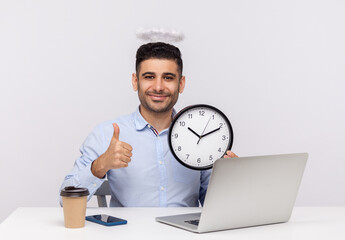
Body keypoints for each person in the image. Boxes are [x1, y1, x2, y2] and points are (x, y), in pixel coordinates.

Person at [60, 42, 238, 207]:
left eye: (168, 77)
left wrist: (231, 181)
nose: (158, 87)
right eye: (149, 77)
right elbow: (64, 200)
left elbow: (216, 206)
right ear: (135, 81)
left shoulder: (202, 137)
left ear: (181, 84)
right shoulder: (106, 133)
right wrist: (100, 165)